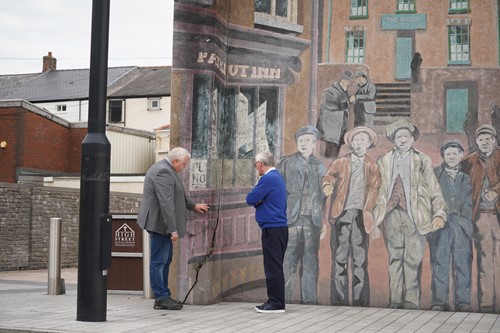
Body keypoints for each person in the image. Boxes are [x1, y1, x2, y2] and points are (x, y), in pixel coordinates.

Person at [373, 118, 447, 309]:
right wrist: (374, 217)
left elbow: (434, 189)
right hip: (391, 216)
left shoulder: (422, 160)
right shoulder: (384, 161)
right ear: (394, 140)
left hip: (416, 217)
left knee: (412, 260)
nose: (403, 140)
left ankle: (412, 302)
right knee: (394, 259)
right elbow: (375, 190)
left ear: (413, 139)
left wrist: (439, 213)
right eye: (399, 137)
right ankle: (395, 301)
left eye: (406, 136)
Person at [137, 147, 209, 310]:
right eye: (183, 164)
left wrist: (193, 205)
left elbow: (179, 193)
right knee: (159, 261)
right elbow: (166, 203)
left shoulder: (167, 168)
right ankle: (161, 298)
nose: (184, 167)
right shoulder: (163, 171)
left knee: (165, 259)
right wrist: (173, 229)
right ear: (175, 160)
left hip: (161, 223)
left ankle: (164, 295)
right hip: (159, 224)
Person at [322, 126, 381, 306]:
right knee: (339, 259)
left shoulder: (372, 165)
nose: (359, 144)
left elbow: (375, 189)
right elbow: (329, 176)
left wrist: (370, 212)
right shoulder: (341, 162)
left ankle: (359, 300)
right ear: (351, 144)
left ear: (368, 144)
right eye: (356, 140)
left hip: (362, 217)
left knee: (360, 260)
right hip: (342, 214)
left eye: (363, 140)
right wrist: (327, 185)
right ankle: (339, 299)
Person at [277, 125, 326, 304]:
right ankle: (283, 300)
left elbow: (324, 197)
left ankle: (310, 302)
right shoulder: (286, 163)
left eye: (308, 141)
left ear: (314, 144)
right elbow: (276, 191)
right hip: (290, 220)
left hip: (312, 221)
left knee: (310, 262)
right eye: (301, 141)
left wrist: (323, 223)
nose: (304, 144)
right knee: (288, 261)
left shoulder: (320, 167)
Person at [428, 140, 473, 312]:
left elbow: (470, 203)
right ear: (443, 156)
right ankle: (439, 301)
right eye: (448, 154)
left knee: (462, 263)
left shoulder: (465, 177)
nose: (452, 157)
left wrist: (466, 223)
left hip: (462, 226)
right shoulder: (435, 175)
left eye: (455, 153)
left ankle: (463, 301)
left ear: (461, 155)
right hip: (441, 227)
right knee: (440, 262)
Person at [461, 124, 500, 313]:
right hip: (481, 217)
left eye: (488, 139)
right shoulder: (469, 161)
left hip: (498, 216)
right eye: (481, 139)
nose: (484, 142)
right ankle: (486, 305)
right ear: (476, 142)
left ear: (495, 140)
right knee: (485, 261)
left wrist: (496, 191)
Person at [246, 150, 288, 313]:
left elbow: (250, 199)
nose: (256, 169)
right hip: (278, 228)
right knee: (274, 265)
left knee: (272, 266)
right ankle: (274, 300)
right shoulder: (276, 177)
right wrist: (259, 201)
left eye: (256, 166)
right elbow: (258, 200)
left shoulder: (268, 178)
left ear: (260, 164)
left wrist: (258, 201)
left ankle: (276, 303)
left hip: (273, 228)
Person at [316, 70, 354, 158]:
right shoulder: (331, 91)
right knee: (331, 144)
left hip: (340, 123)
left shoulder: (344, 90)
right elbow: (341, 105)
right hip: (331, 123)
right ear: (343, 80)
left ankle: (334, 159)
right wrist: (349, 101)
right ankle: (329, 160)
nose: (349, 83)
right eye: (348, 81)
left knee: (338, 143)